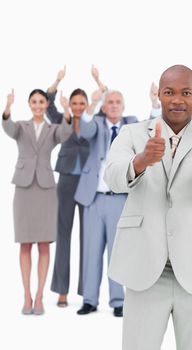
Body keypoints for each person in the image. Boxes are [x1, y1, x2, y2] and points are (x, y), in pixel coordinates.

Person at [104, 65, 192, 349]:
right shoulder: (131, 133)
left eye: (185, 93)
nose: (177, 99)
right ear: (159, 95)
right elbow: (112, 176)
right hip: (144, 270)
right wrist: (139, 161)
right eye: (169, 92)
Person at [75, 89, 161, 317]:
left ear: (123, 106)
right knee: (91, 251)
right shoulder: (96, 123)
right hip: (94, 198)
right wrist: (91, 104)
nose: (113, 105)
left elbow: (151, 128)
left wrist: (154, 102)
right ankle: (89, 300)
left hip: (120, 199)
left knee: (118, 252)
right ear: (104, 107)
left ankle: (117, 300)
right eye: (109, 102)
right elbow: (84, 129)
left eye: (117, 102)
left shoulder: (131, 125)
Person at [2, 88, 72, 315]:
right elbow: (7, 127)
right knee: (24, 243)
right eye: (34, 101)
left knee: (43, 244)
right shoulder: (21, 127)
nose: (39, 105)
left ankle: (40, 296)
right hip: (23, 188)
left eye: (42, 101)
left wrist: (67, 111)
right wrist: (7, 109)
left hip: (45, 190)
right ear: (29, 104)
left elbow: (66, 134)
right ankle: (26, 296)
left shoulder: (53, 129)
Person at [46, 66, 105, 307]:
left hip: (89, 183)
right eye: (75, 103)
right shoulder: (62, 119)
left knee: (88, 237)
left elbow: (107, 100)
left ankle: (86, 290)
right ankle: (62, 290)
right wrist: (57, 80)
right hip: (67, 181)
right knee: (63, 234)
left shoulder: (95, 121)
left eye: (82, 103)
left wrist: (98, 80)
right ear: (69, 104)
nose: (79, 107)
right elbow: (48, 104)